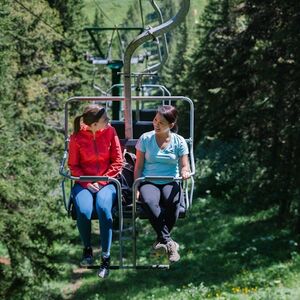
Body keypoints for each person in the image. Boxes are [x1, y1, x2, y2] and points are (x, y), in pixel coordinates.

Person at [68, 104, 123, 278]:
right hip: (83, 183)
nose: (109, 121)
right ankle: (87, 248)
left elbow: (118, 162)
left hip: (106, 182)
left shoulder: (110, 132)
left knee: (103, 209)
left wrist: (100, 181)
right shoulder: (76, 138)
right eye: (105, 119)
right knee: (83, 211)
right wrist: (86, 182)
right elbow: (73, 166)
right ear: (93, 124)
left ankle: (106, 257)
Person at [134, 105, 191, 263]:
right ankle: (169, 243)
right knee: (149, 202)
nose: (156, 124)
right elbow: (138, 166)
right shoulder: (146, 138)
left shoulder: (179, 141)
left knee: (173, 202)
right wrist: (136, 187)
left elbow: (185, 165)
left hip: (170, 180)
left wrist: (185, 172)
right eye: (155, 120)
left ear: (171, 126)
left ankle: (161, 240)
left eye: (161, 122)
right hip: (148, 180)